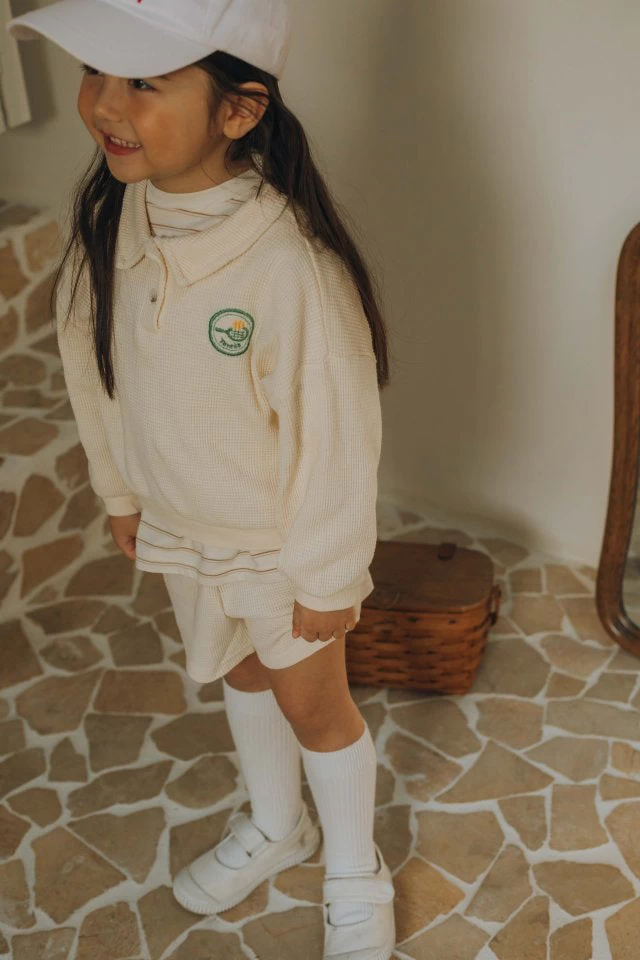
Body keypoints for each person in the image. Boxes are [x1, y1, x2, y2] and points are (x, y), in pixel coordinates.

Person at [7, 1, 395, 956]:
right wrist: (121, 491)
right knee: (239, 671)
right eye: (96, 72)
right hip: (186, 527)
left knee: (314, 705)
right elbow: (93, 365)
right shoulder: (117, 218)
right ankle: (277, 824)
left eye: (143, 81)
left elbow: (337, 434)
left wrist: (329, 576)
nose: (105, 104)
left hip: (280, 547)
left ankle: (355, 867)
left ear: (239, 109)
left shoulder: (288, 270)